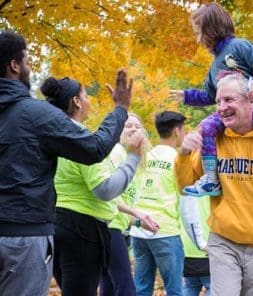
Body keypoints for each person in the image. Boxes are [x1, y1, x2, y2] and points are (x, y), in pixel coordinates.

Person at [0, 30, 132, 296]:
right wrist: (119, 110)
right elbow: (95, 149)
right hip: (24, 236)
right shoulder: (35, 114)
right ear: (14, 65)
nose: (28, 67)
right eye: (26, 61)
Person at [174, 73, 253, 296]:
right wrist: (183, 154)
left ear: (250, 99)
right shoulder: (212, 140)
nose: (222, 107)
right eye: (218, 101)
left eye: (229, 100)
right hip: (224, 241)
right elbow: (185, 186)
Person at [40, 78, 159, 296]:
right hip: (82, 228)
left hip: (53, 225)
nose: (89, 101)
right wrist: (132, 158)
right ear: (76, 101)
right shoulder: (78, 137)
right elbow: (105, 189)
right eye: (86, 96)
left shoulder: (50, 134)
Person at [170, 2, 253, 200]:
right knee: (206, 128)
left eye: (199, 33)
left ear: (211, 30)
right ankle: (211, 178)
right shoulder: (214, 67)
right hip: (232, 110)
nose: (197, 40)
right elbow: (210, 95)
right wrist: (186, 96)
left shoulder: (238, 46)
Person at [130, 111, 186, 296]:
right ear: (177, 131)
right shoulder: (178, 160)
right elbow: (185, 199)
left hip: (139, 230)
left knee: (141, 287)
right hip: (165, 231)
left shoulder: (144, 157)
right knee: (175, 290)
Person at [100, 113, 156, 296]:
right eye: (128, 126)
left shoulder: (130, 157)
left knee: (109, 286)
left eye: (137, 126)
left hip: (118, 227)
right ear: (119, 131)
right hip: (109, 226)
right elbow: (107, 193)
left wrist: (138, 221)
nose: (133, 129)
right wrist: (137, 214)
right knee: (126, 287)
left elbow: (124, 201)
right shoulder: (116, 153)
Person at [180, 193, 211, 296]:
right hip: (209, 249)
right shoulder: (214, 185)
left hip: (186, 248)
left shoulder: (183, 184)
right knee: (213, 287)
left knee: (189, 287)